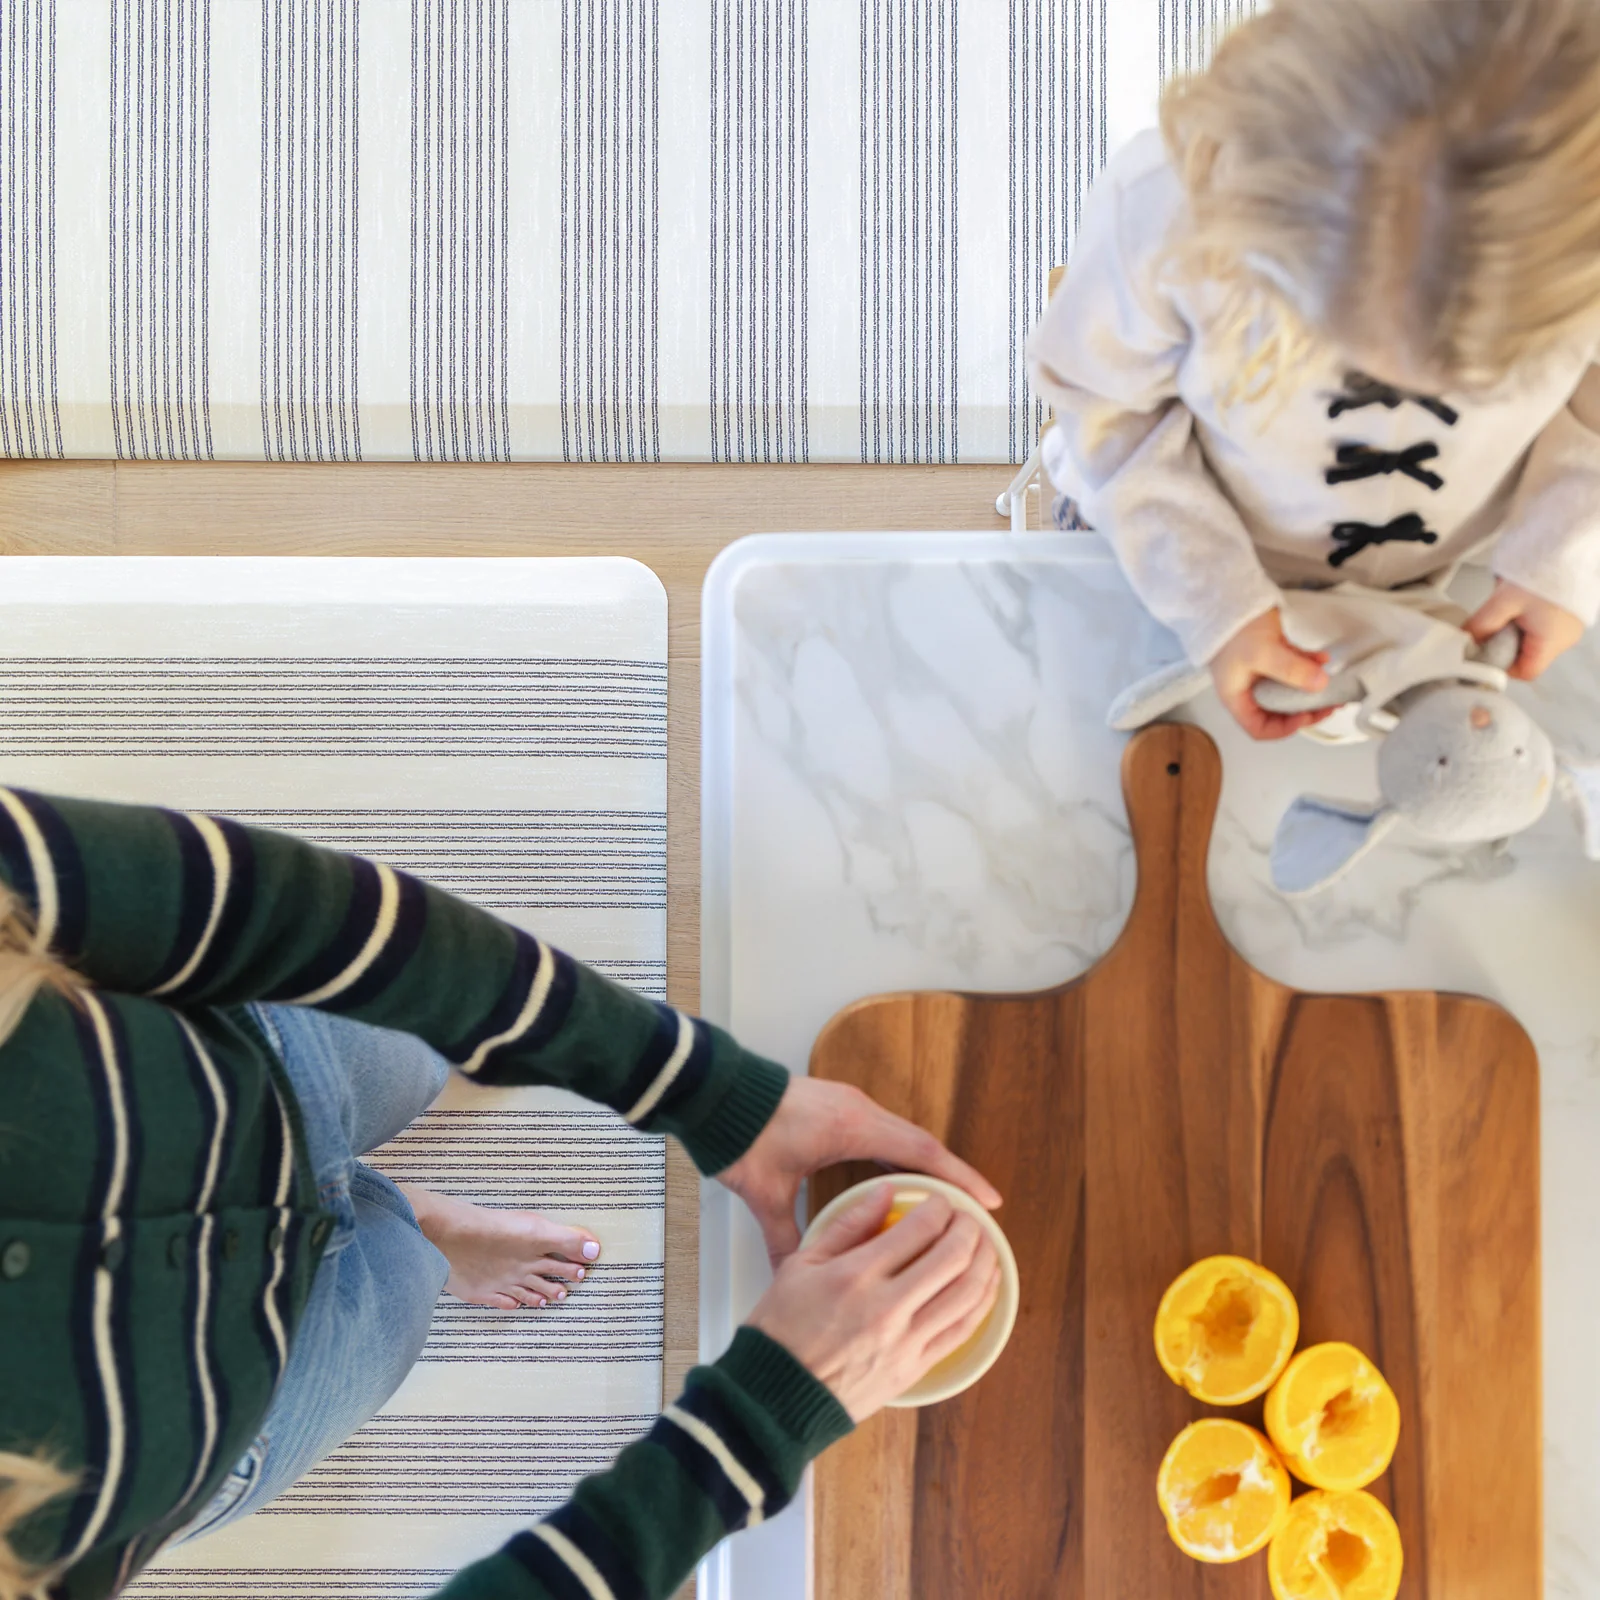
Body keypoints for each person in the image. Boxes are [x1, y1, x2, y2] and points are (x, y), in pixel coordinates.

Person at [0, 788, 1002, 1600]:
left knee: (412, 1055)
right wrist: (756, 1425)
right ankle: (413, 1223)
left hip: (256, 1057)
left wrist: (701, 1087)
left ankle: (382, 1197)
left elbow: (272, 908)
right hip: (230, 1405)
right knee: (399, 1287)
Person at [1029, 0, 1600, 740]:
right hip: (1169, 538)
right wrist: (1216, 601)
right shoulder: (1169, 214)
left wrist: (1560, 551)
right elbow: (1107, 411)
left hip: (1467, 566)